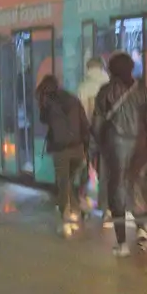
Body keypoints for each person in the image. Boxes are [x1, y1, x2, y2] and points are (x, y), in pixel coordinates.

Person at [91, 52, 147, 257]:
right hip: (140, 148)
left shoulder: (105, 92)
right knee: (139, 187)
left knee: (118, 193)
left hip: (115, 149)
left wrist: (95, 150)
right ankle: (142, 229)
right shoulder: (142, 91)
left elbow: (96, 126)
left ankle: (122, 243)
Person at [37, 74, 90, 234]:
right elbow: (85, 124)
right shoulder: (73, 100)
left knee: (63, 183)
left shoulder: (48, 102)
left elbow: (43, 119)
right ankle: (77, 211)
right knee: (69, 181)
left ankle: (66, 216)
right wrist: (86, 148)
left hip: (60, 150)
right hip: (77, 148)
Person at [77, 56, 110, 223]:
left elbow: (81, 115)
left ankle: (86, 206)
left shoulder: (84, 86)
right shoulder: (111, 86)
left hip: (90, 134)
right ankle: (106, 210)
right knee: (106, 172)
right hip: (108, 135)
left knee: (87, 170)